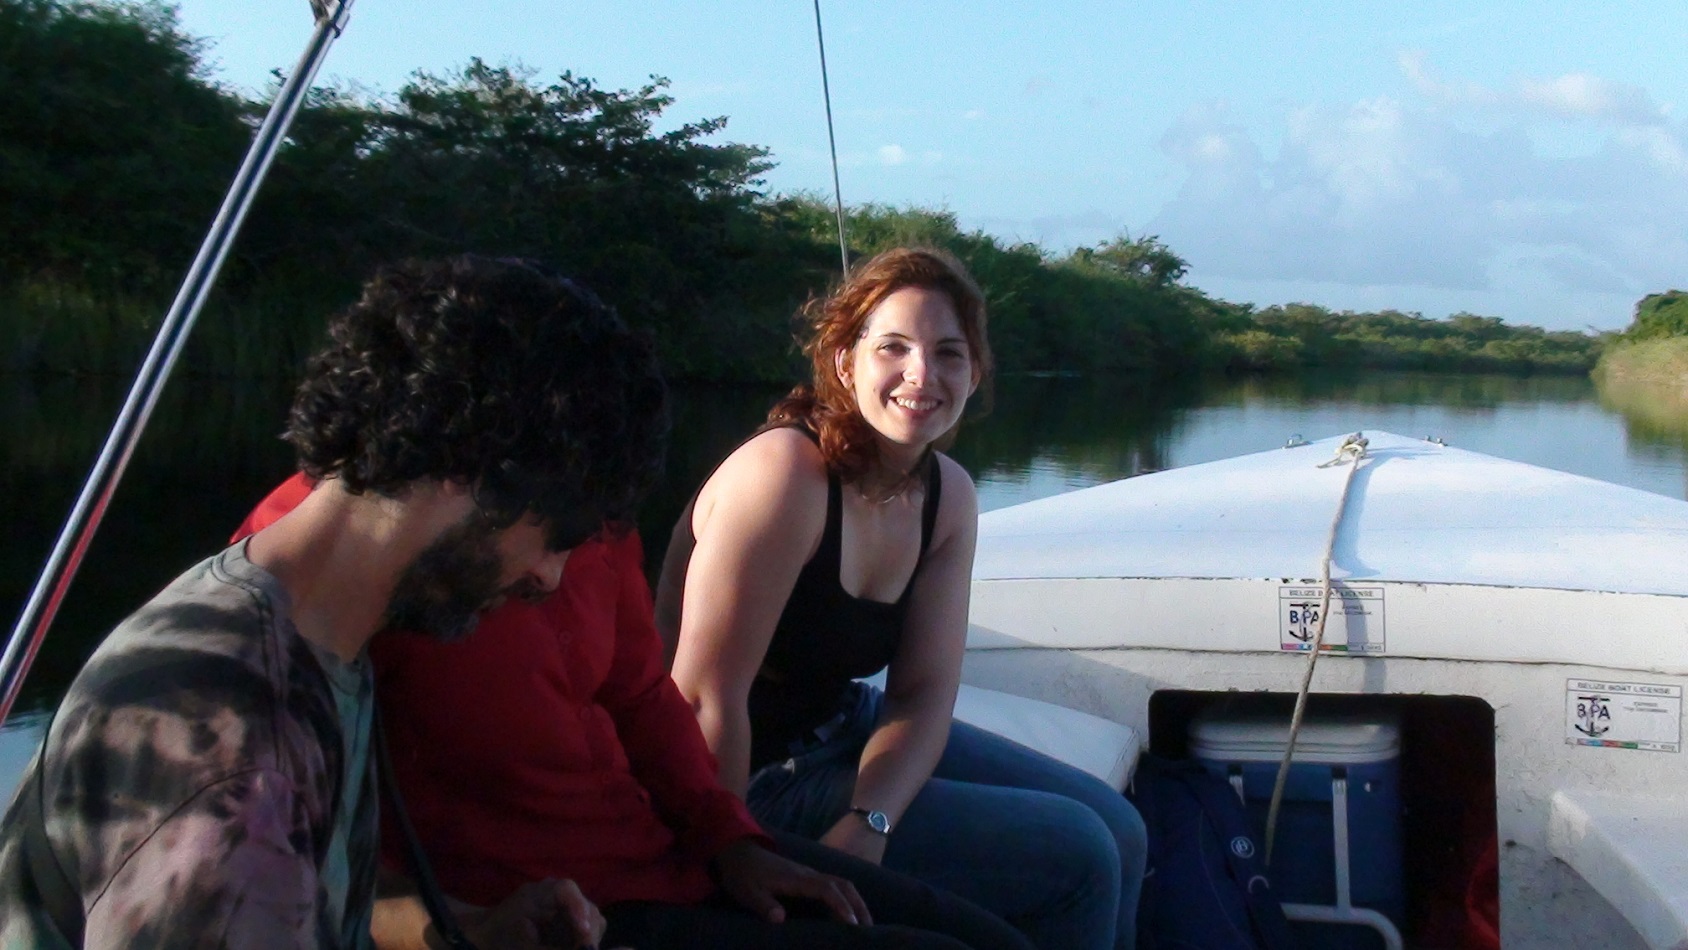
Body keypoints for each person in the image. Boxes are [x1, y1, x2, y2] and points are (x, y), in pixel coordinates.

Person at [0, 256, 670, 949]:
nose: (550, 576)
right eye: (558, 534)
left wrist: (470, 928)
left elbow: (302, 897)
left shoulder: (308, 638)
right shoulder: (234, 757)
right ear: (468, 466)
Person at [236, 472, 1033, 950]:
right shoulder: (329, 552)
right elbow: (285, 850)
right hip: (553, 908)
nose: (557, 570)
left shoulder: (592, 502)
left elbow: (641, 694)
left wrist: (732, 838)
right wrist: (457, 925)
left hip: (664, 847)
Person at [656, 247, 1149, 950]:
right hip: (744, 777)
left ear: (975, 374)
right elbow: (703, 698)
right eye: (894, 347)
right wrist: (726, 860)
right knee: (1079, 854)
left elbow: (920, 694)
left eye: (949, 353)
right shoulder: (785, 476)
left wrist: (872, 819)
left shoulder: (947, 497)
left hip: (841, 726)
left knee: (1122, 829)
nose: (922, 374)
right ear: (845, 362)